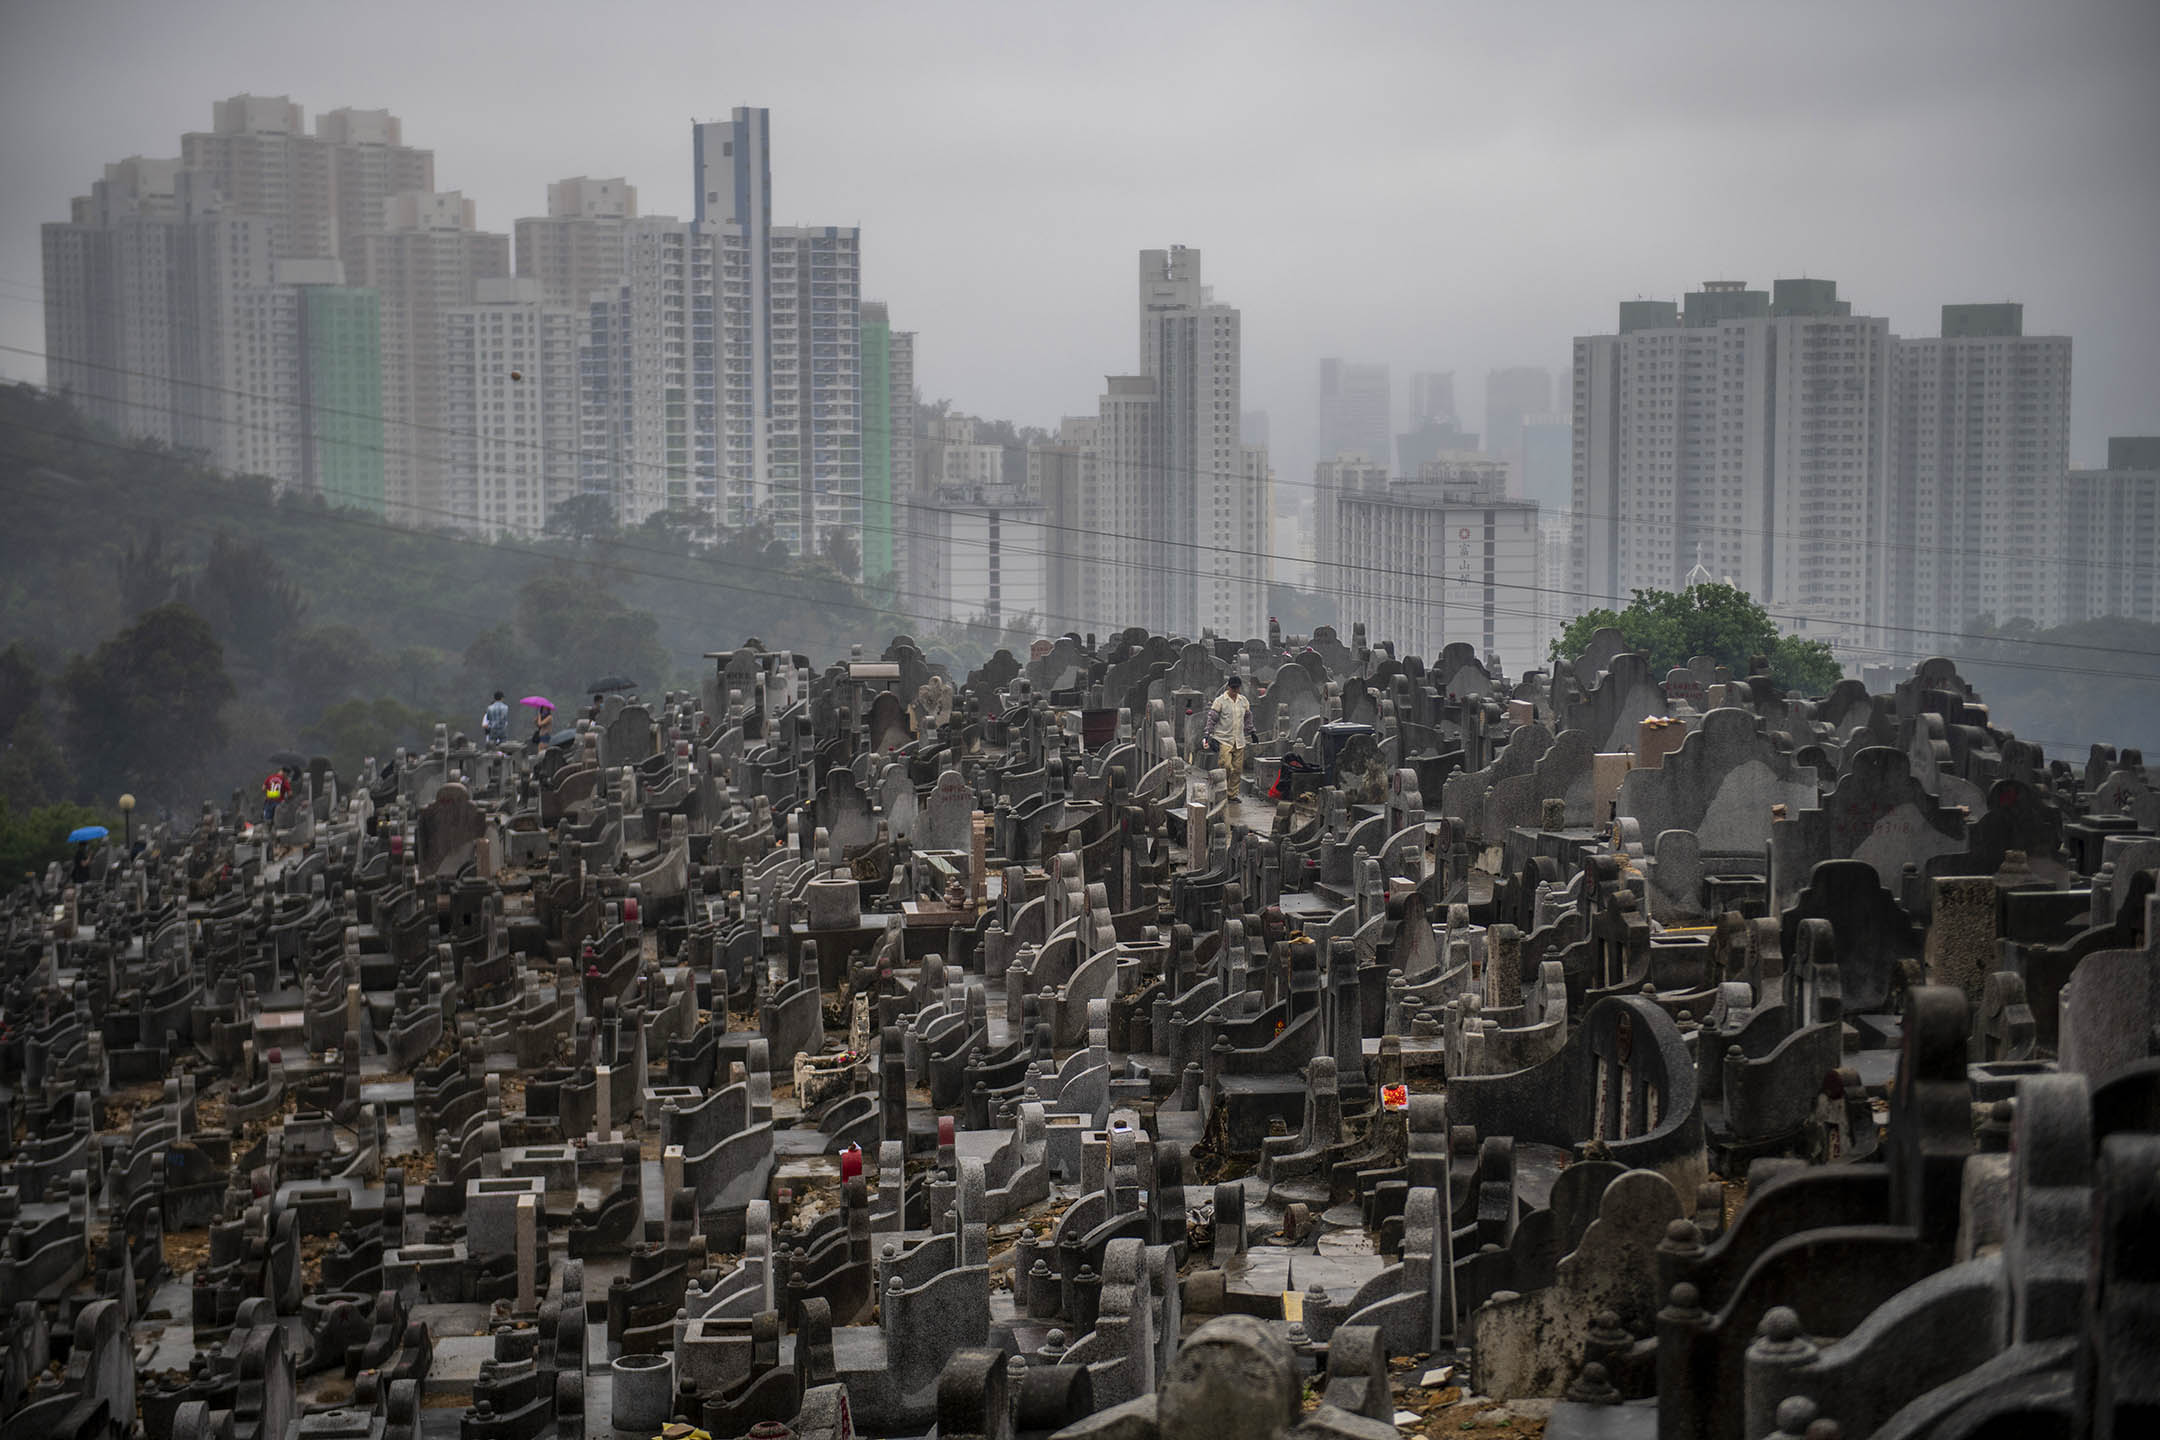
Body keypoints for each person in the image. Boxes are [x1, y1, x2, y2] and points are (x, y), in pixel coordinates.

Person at [1203, 675, 1258, 805]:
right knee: (1226, 766)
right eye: (1232, 688)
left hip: (1239, 740)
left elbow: (1248, 718)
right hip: (1223, 738)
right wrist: (1207, 735)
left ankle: (1232, 795)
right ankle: (1221, 789)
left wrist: (1252, 732)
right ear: (1228, 687)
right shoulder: (1220, 701)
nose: (1234, 690)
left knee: (1238, 769)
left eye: (1237, 688)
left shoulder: (1243, 701)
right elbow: (1212, 719)